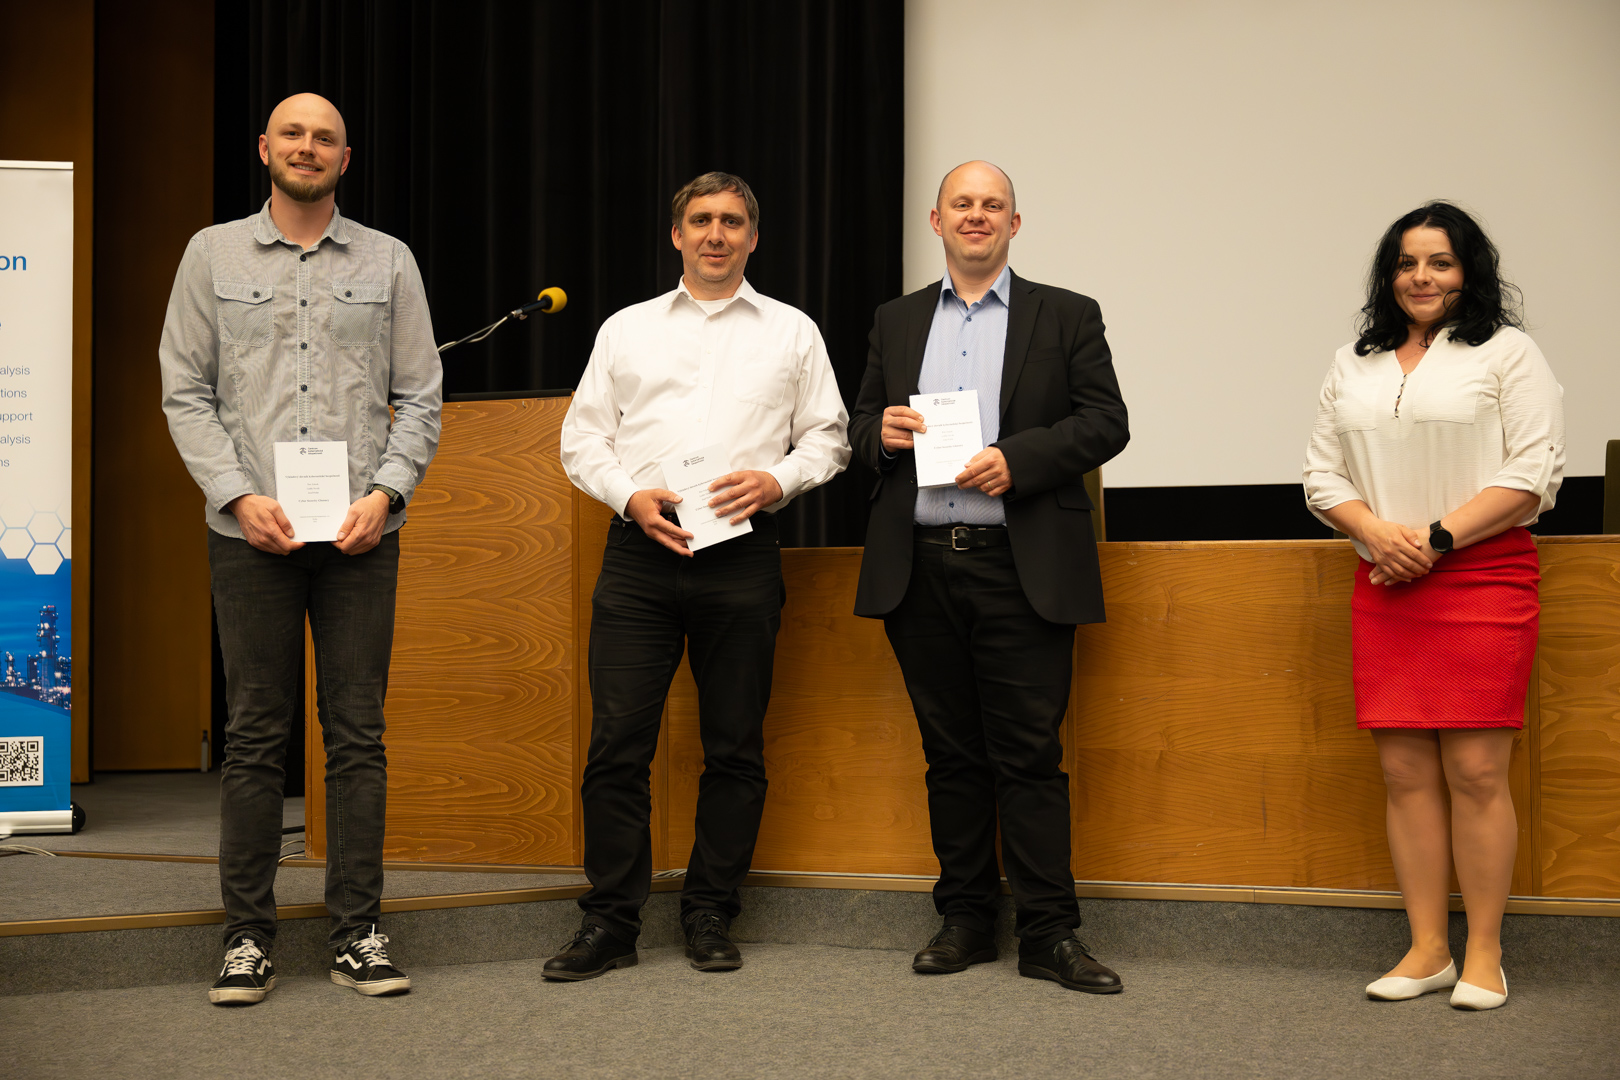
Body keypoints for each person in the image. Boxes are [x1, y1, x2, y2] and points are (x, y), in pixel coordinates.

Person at [160, 92, 442, 1005]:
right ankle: (247, 937)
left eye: (325, 138)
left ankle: (358, 931)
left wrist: (386, 494)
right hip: (251, 533)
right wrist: (237, 495)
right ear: (264, 149)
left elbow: (421, 397)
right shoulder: (211, 254)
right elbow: (184, 391)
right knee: (254, 735)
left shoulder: (389, 260)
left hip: (362, 535)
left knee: (357, 734)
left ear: (344, 158)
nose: (308, 147)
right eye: (293, 133)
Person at [552, 171, 850, 979]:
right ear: (676, 235)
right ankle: (610, 923)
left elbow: (829, 438)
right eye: (701, 220)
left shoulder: (792, 331)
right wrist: (629, 495)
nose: (716, 234)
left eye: (732, 221)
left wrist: (777, 481)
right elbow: (582, 439)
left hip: (741, 556)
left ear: (753, 238)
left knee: (734, 746)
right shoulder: (626, 329)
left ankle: (711, 910)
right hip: (638, 554)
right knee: (617, 747)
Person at [849, 161, 1129, 993]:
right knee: (950, 757)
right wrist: (881, 436)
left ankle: (1049, 933)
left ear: (1015, 223)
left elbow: (1106, 422)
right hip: (921, 566)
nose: (977, 216)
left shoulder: (1067, 313)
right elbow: (858, 427)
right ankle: (965, 920)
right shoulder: (896, 319)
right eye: (962, 204)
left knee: (1030, 757)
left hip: (1020, 565)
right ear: (937, 221)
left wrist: (1019, 459)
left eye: (993, 205)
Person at [1304, 201, 1563, 1011]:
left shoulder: (1508, 352)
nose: (1421, 277)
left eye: (1440, 262)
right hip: (1387, 581)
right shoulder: (1353, 361)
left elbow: (1534, 472)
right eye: (1407, 262)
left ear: (1468, 271)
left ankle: (1484, 952)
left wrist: (1437, 539)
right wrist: (1379, 534)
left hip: (1483, 578)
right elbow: (1321, 475)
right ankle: (1427, 949)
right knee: (1404, 771)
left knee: (1478, 771)